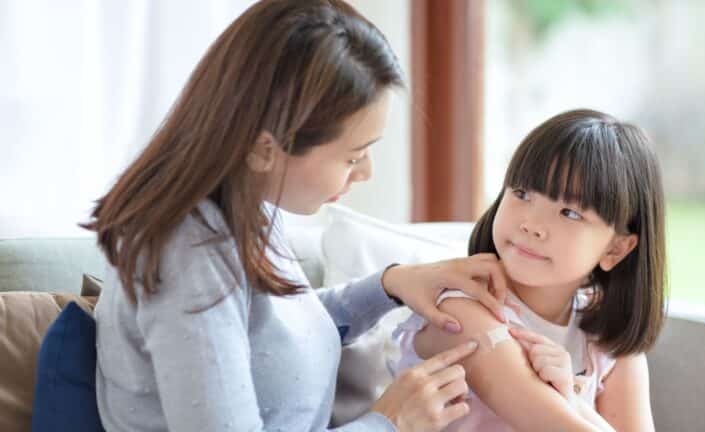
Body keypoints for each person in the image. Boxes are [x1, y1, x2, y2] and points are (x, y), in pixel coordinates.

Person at [82, 1, 510, 431]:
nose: (365, 173)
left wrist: (390, 286)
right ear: (265, 149)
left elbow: (275, 335)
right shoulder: (189, 255)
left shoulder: (244, 211)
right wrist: (389, 422)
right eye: (353, 155)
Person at [391, 109, 667, 431]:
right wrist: (570, 404)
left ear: (615, 249)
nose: (532, 224)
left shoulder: (606, 337)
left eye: (569, 212)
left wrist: (572, 398)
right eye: (522, 193)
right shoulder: (463, 312)